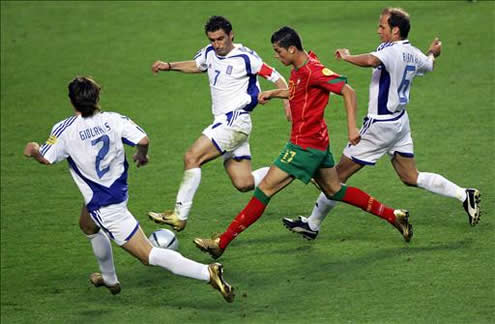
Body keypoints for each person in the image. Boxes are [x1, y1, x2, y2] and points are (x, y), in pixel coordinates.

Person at [193, 26, 413, 260]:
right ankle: (393, 215)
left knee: (265, 189)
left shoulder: (313, 70)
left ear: (291, 49)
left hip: (303, 145)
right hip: (317, 143)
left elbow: (348, 92)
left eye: (278, 52)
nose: (276, 56)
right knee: (334, 189)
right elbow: (298, 91)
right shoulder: (300, 67)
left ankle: (221, 242)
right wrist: (275, 94)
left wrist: (351, 128)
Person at [23, 76, 234, 302]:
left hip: (105, 205)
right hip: (116, 191)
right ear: (97, 97)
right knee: (87, 224)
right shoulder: (113, 119)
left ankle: (206, 272)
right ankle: (110, 279)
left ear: (71, 102)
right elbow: (143, 139)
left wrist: (34, 150)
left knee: (148, 255)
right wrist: (141, 156)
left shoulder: (64, 130)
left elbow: (45, 158)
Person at [283, 7, 481, 241]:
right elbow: (429, 65)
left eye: (382, 27)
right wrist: (432, 52)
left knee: (334, 179)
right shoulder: (414, 53)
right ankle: (463, 194)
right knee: (410, 176)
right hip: (400, 123)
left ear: (395, 30)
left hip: (379, 126)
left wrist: (346, 56)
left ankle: (312, 225)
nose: (378, 30)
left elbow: (370, 60)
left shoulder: (390, 51)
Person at [148, 16, 290, 232]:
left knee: (191, 157)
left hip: (234, 120)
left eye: (221, 39)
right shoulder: (209, 52)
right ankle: (291, 169)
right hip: (226, 123)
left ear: (231, 35)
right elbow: (197, 65)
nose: (217, 44)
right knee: (243, 183)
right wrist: (169, 66)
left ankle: (179, 214)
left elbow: (276, 76)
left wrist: (287, 102)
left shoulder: (245, 57)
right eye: (212, 40)